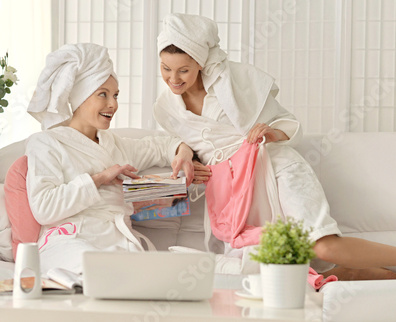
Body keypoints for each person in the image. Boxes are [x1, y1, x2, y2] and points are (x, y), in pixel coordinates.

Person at [153, 13, 396, 280]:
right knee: (290, 269)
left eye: (183, 70)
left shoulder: (234, 83)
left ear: (199, 63)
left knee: (323, 247)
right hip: (233, 193)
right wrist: (187, 153)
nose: (173, 78)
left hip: (276, 167)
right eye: (166, 68)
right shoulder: (165, 108)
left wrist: (270, 133)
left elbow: (290, 125)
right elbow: (187, 140)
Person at [26, 43, 194, 274]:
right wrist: (99, 178)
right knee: (98, 272)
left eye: (115, 95)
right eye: (102, 95)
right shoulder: (46, 143)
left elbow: (161, 145)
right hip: (69, 242)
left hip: (118, 244)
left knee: (163, 276)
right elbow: (44, 208)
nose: (113, 104)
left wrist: (183, 151)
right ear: (79, 97)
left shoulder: (113, 143)